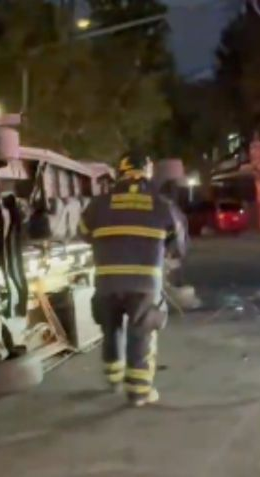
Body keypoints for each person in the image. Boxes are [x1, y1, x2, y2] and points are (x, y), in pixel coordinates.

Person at [79, 151, 187, 407]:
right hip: (144, 285)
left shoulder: (98, 204)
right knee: (141, 333)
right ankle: (139, 393)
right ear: (147, 172)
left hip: (107, 283)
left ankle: (113, 380)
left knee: (111, 329)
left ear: (121, 173)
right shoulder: (163, 205)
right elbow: (179, 247)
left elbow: (84, 234)